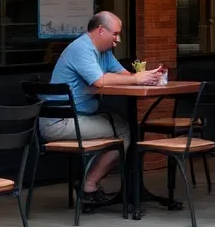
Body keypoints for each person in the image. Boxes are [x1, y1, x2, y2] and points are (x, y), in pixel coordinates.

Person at [45, 11, 159, 206]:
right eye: (115, 34)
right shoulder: (82, 49)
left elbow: (124, 75)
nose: (118, 40)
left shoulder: (104, 52)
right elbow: (100, 80)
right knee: (124, 130)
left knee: (122, 125)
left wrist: (144, 76)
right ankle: (88, 185)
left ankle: (106, 184)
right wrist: (135, 79)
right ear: (100, 30)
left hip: (78, 117)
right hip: (60, 122)